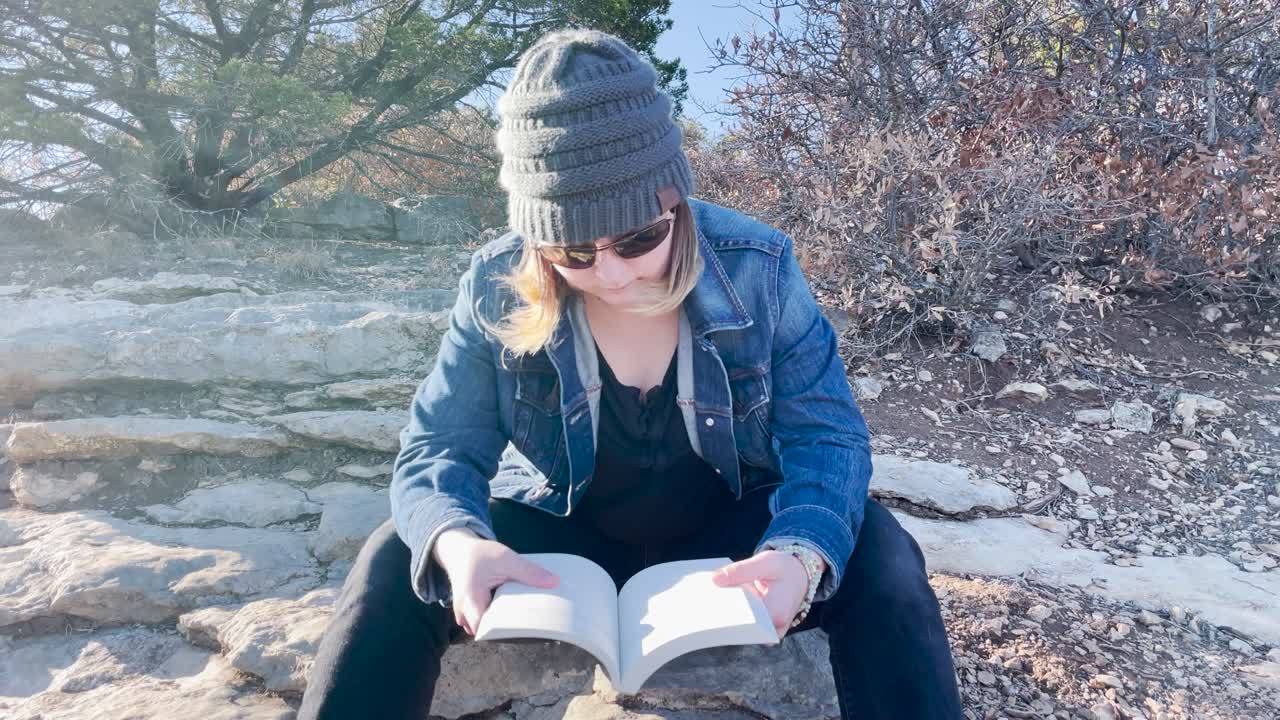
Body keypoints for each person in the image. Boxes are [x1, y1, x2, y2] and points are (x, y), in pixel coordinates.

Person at [298, 29, 962, 720]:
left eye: (640, 238)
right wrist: (458, 544)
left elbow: (830, 436)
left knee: (883, 553)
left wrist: (799, 554)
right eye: (573, 251)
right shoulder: (496, 282)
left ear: (675, 202)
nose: (610, 274)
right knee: (393, 555)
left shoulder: (758, 266)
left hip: (728, 540)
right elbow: (440, 446)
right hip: (567, 538)